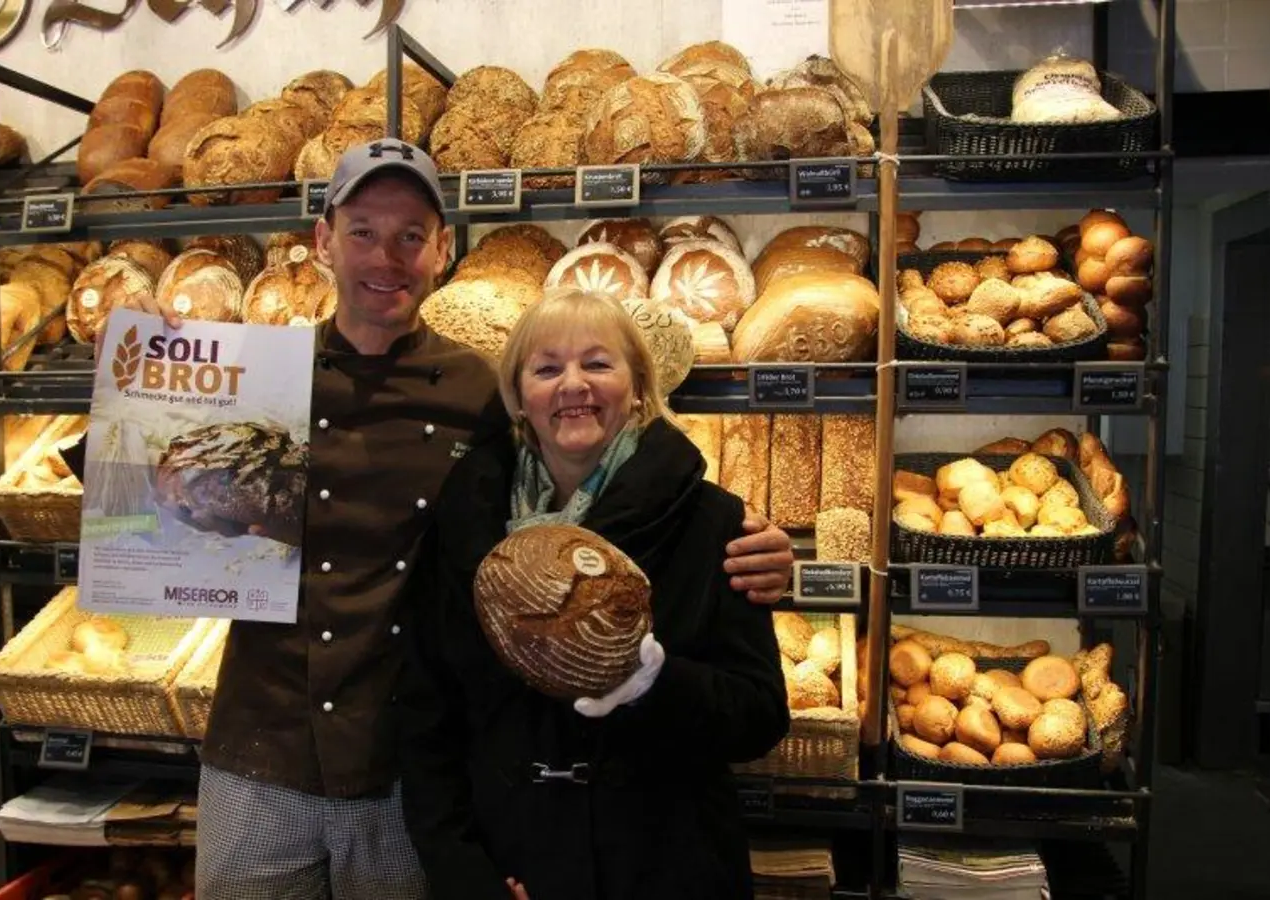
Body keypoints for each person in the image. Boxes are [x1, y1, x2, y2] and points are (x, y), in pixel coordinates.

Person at [104, 139, 796, 899]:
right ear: (323, 241)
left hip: (398, 763)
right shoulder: (247, 370)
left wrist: (756, 544)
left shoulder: (475, 391)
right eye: (363, 231)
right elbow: (133, 505)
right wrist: (136, 412)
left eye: (411, 235)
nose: (386, 257)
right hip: (260, 748)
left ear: (441, 250)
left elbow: (608, 484)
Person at [398, 288, 792, 900]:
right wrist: (465, 872)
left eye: (598, 363)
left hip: (667, 867)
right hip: (512, 860)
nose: (573, 384)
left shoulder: (713, 522)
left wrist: (654, 684)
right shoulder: (465, 522)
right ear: (518, 398)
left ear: (637, 387)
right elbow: (427, 713)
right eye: (547, 368)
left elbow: (759, 719)